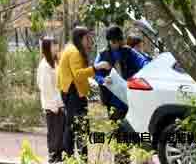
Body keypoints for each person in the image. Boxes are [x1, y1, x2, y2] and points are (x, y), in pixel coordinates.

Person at [95, 25, 151, 164]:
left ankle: (141, 160)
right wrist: (103, 80)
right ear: (109, 41)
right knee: (119, 137)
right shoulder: (103, 54)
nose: (116, 44)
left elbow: (143, 62)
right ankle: (121, 161)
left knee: (137, 135)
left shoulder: (129, 52)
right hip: (114, 103)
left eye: (118, 41)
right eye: (114, 42)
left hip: (131, 100)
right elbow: (95, 73)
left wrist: (146, 68)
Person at [58, 25, 109, 159]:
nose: (89, 41)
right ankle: (78, 157)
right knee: (79, 126)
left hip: (71, 92)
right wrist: (96, 67)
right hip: (74, 93)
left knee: (74, 126)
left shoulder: (70, 48)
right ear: (80, 38)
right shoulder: (74, 52)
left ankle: (70, 156)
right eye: (87, 38)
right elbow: (78, 75)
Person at [38, 36, 66, 162]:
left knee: (60, 137)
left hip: (59, 104)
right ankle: (53, 159)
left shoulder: (55, 62)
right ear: (47, 48)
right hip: (53, 107)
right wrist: (55, 106)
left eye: (56, 45)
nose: (56, 48)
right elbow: (45, 88)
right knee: (55, 137)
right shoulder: (44, 66)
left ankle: (57, 158)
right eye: (53, 45)